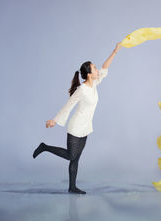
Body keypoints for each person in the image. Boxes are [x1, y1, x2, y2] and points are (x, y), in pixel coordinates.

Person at [33, 42, 123, 194]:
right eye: (94, 68)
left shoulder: (94, 84)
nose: (97, 70)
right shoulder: (81, 90)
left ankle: (72, 187)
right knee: (71, 155)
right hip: (75, 127)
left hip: (86, 127)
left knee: (76, 159)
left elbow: (105, 67)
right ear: (89, 74)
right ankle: (44, 147)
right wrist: (54, 120)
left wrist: (115, 51)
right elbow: (68, 105)